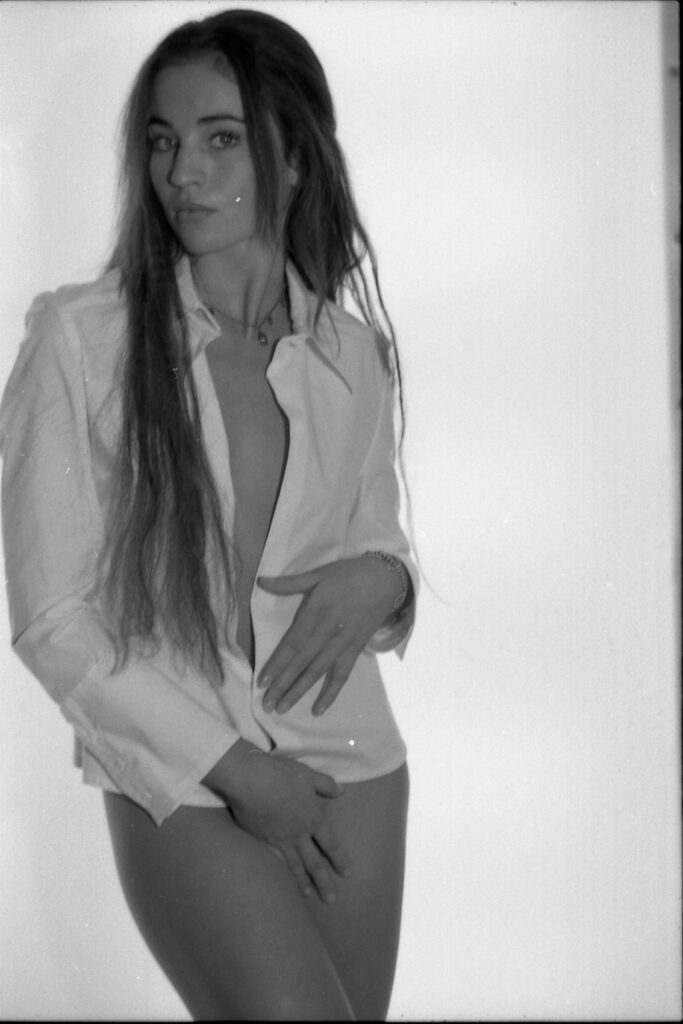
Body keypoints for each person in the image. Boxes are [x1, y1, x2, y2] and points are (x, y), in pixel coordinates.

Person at [0, 8, 418, 1021]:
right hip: (185, 773)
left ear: (295, 156)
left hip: (350, 766)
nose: (181, 172)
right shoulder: (81, 340)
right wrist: (241, 775)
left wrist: (388, 580)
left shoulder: (351, 352)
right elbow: (54, 620)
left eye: (219, 137)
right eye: (162, 140)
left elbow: (374, 534)